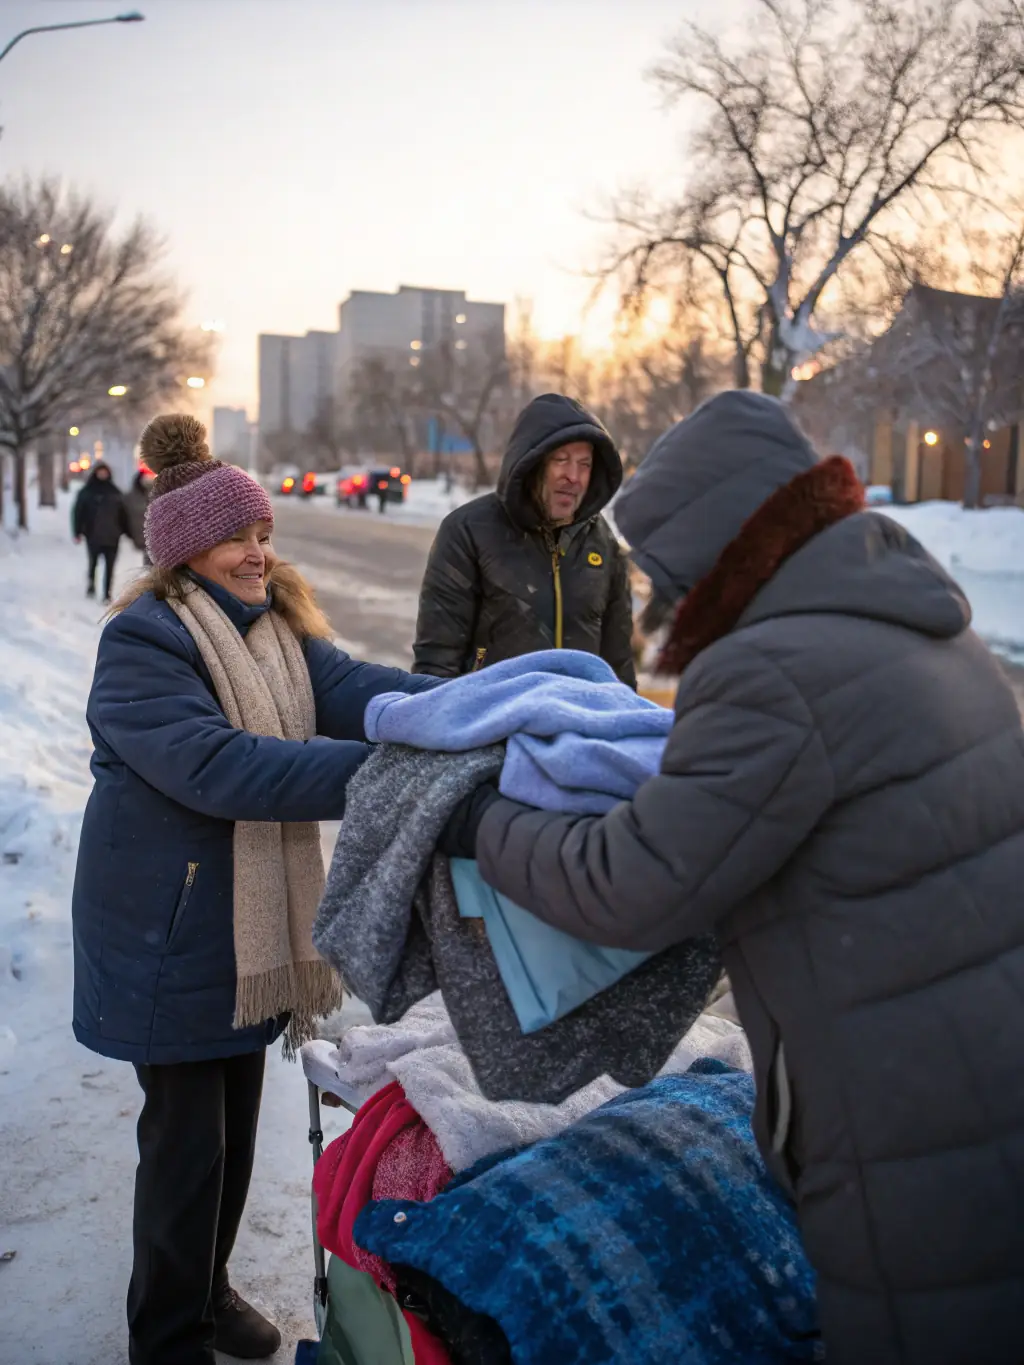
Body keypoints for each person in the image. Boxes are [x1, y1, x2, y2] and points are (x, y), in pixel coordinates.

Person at [442, 390, 1024, 1365]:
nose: (660, 594)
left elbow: (630, 885)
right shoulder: (929, 625)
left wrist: (481, 821)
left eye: (667, 569)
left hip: (902, 1129)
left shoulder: (768, 668)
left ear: (714, 547)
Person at [71, 415, 438, 1365]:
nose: (259, 552)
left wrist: (455, 714)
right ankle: (167, 1332)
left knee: (233, 1131)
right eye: (240, 538)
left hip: (237, 936)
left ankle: (210, 1285)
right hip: (168, 930)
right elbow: (221, 767)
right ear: (189, 551)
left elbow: (355, 685)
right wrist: (388, 778)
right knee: (188, 1147)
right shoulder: (145, 644)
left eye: (264, 533)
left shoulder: (273, 631)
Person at [412, 393, 636, 686]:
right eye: (561, 460)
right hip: (491, 724)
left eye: (585, 464)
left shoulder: (603, 543)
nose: (574, 476)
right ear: (532, 464)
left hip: (577, 726)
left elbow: (618, 666)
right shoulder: (468, 531)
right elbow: (436, 662)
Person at [72, 461, 129, 602]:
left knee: (110, 567)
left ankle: (106, 593)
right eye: (100, 472)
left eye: (105, 472)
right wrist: (77, 531)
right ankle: (91, 585)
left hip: (112, 536)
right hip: (93, 535)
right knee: (93, 563)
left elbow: (124, 515)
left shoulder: (115, 493)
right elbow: (78, 513)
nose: (102, 475)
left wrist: (127, 532)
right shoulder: (87, 492)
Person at [123, 465, 155, 565]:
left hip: (160, 536)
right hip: (142, 536)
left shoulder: (162, 492)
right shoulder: (132, 496)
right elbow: (125, 515)